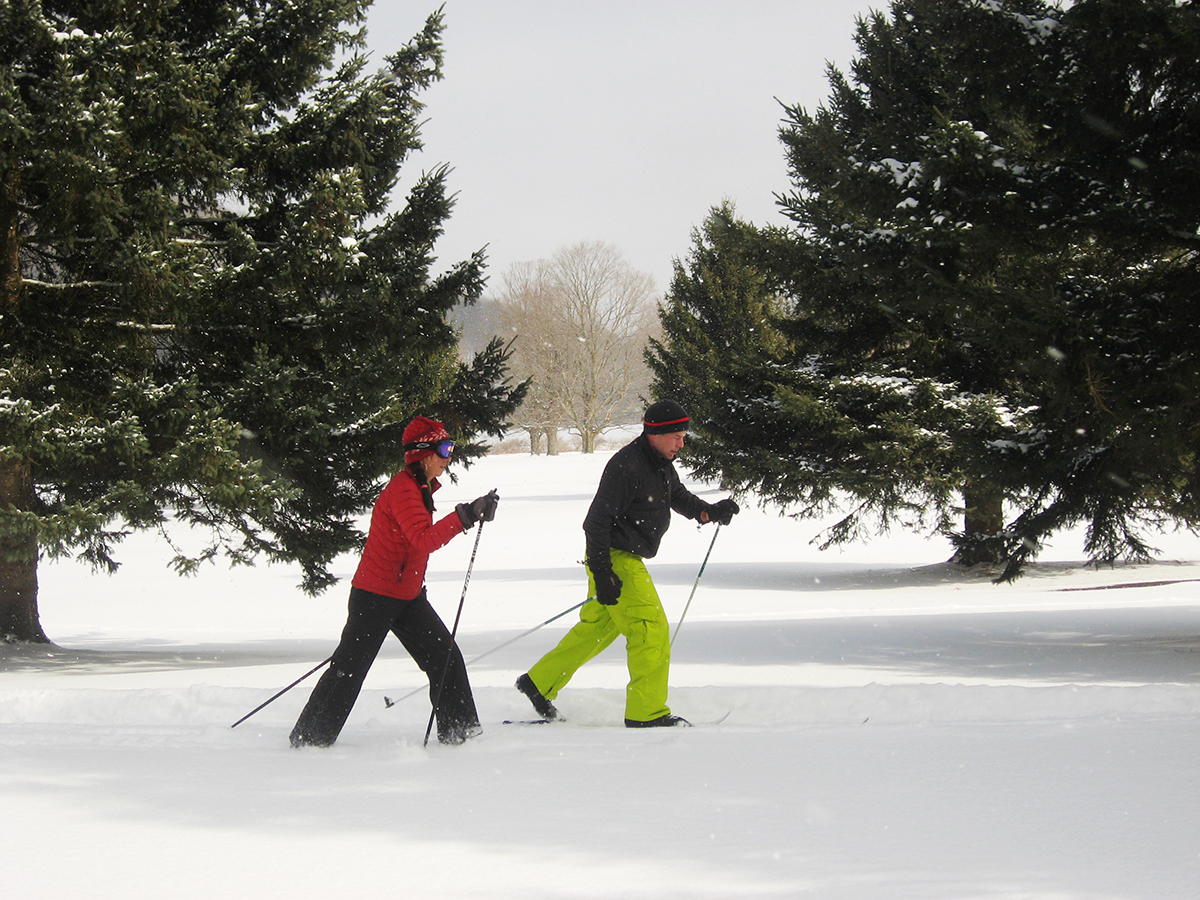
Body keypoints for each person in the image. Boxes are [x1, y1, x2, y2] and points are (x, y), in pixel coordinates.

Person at [515, 399, 739, 727]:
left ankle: (538, 683)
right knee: (650, 630)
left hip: (616, 558)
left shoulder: (660, 462)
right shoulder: (627, 466)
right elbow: (595, 523)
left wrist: (709, 511)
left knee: (598, 630)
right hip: (615, 558)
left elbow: (677, 496)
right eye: (676, 436)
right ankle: (646, 714)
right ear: (655, 433)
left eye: (683, 436)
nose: (682, 443)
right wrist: (604, 573)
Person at [290, 416, 498, 747]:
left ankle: (461, 735)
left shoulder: (420, 487)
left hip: (407, 595)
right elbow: (423, 539)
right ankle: (310, 739)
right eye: (444, 449)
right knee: (348, 671)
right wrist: (466, 515)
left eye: (451, 448)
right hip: (375, 596)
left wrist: (471, 513)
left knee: (445, 658)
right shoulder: (403, 489)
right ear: (423, 453)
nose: (448, 457)